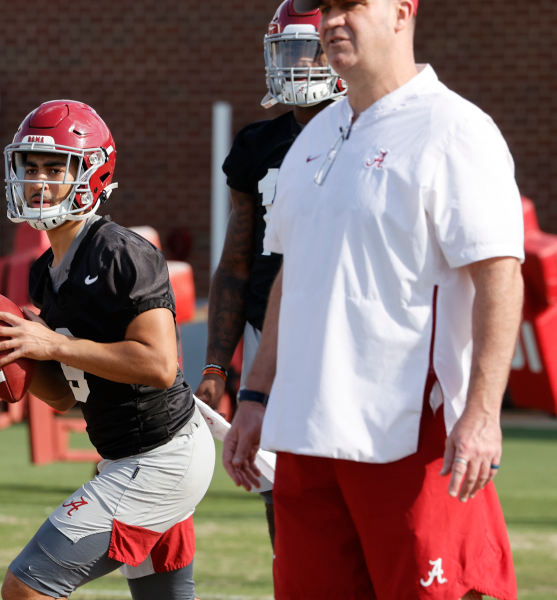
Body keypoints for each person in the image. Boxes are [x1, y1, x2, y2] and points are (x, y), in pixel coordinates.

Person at [223, 0, 521, 598]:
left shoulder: (455, 129)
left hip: (412, 438)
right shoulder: (312, 139)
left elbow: (499, 276)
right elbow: (291, 275)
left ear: (402, 12)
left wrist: (483, 415)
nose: (331, 21)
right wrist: (255, 395)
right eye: (323, 8)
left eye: (349, 5)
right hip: (306, 438)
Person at [0, 100, 215, 600]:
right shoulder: (45, 272)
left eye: (56, 167)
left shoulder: (122, 254)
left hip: (161, 454)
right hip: (129, 454)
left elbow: (159, 366)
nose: (38, 182)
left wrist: (52, 341)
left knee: (27, 587)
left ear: (92, 174)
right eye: (30, 167)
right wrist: (12, 357)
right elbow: (65, 397)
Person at [194, 0, 346, 549]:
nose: (300, 65)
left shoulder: (364, 132)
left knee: (348, 485)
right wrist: (217, 362)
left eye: (312, 51)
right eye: (291, 51)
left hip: (342, 333)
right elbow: (237, 262)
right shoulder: (258, 146)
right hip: (268, 339)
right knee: (280, 492)